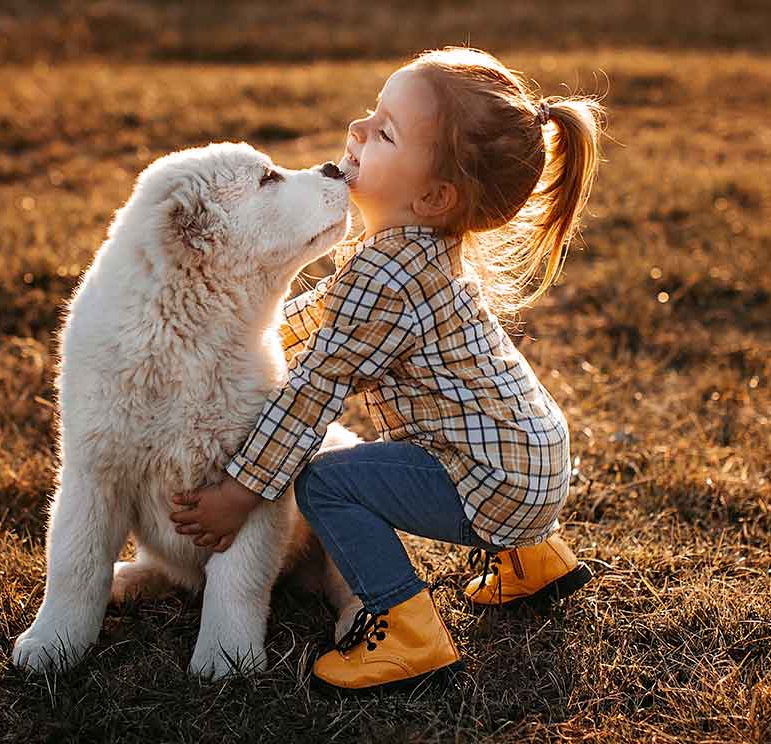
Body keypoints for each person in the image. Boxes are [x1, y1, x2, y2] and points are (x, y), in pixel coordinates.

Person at [169, 46, 605, 693]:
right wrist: (244, 337)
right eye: (372, 114)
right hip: (534, 455)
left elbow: (312, 392)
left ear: (432, 195)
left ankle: (403, 625)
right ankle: (533, 559)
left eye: (385, 132)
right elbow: (323, 314)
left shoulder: (386, 274)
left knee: (325, 484)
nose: (358, 131)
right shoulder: (415, 249)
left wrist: (241, 493)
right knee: (426, 449)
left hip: (496, 481)